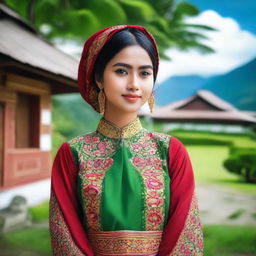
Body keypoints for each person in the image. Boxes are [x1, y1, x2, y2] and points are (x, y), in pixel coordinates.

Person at [49, 25, 204, 256]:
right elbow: (65, 232)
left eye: (144, 73)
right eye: (121, 71)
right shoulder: (73, 153)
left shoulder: (170, 150)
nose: (134, 84)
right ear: (99, 78)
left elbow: (184, 230)